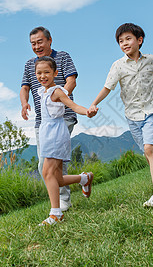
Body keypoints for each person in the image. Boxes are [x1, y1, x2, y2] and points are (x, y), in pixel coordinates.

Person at [88, 23, 153, 208]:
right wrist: (94, 104)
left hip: (151, 110)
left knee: (150, 149)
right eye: (120, 41)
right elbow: (107, 87)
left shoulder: (150, 60)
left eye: (128, 39)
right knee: (148, 153)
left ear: (139, 40)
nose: (124, 43)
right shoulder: (117, 66)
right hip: (132, 116)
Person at [20, 26, 77, 211]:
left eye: (40, 42)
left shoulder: (62, 57)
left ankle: (62, 202)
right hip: (42, 122)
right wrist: (24, 103)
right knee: (42, 164)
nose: (37, 46)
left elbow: (71, 80)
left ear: (49, 40)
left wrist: (60, 97)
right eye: (33, 44)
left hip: (63, 116)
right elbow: (25, 87)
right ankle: (84, 179)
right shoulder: (30, 65)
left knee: (55, 160)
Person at [35, 56, 96, 225]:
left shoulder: (57, 91)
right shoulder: (43, 91)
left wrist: (87, 111)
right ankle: (84, 178)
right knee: (57, 178)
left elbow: (72, 105)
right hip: (46, 134)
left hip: (56, 135)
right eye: (39, 73)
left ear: (55, 73)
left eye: (46, 72)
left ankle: (56, 214)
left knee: (47, 173)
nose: (42, 76)